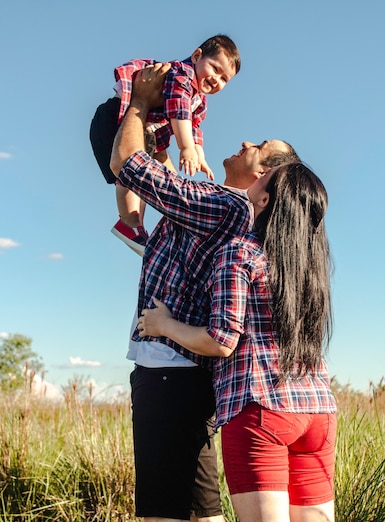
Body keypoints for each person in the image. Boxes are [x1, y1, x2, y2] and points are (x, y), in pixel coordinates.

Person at [109, 63, 301, 522]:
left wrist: (138, 102)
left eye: (257, 148)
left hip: (169, 368)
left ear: (266, 175)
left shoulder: (226, 205)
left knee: (162, 509)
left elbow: (127, 166)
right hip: (188, 374)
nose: (244, 144)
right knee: (202, 509)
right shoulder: (226, 208)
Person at [139, 162, 337, 522]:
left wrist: (164, 325)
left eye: (268, 174)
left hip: (261, 407)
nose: (260, 171)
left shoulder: (240, 252)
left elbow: (221, 340)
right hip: (318, 410)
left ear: (264, 198)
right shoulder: (310, 264)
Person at [90, 34, 240, 256]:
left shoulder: (199, 98)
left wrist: (199, 154)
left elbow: (195, 126)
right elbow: (180, 112)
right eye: (215, 69)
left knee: (145, 177)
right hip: (114, 120)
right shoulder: (183, 76)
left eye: (224, 78)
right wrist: (185, 147)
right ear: (197, 56)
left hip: (145, 130)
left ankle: (137, 225)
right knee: (130, 174)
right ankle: (129, 223)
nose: (217, 79)